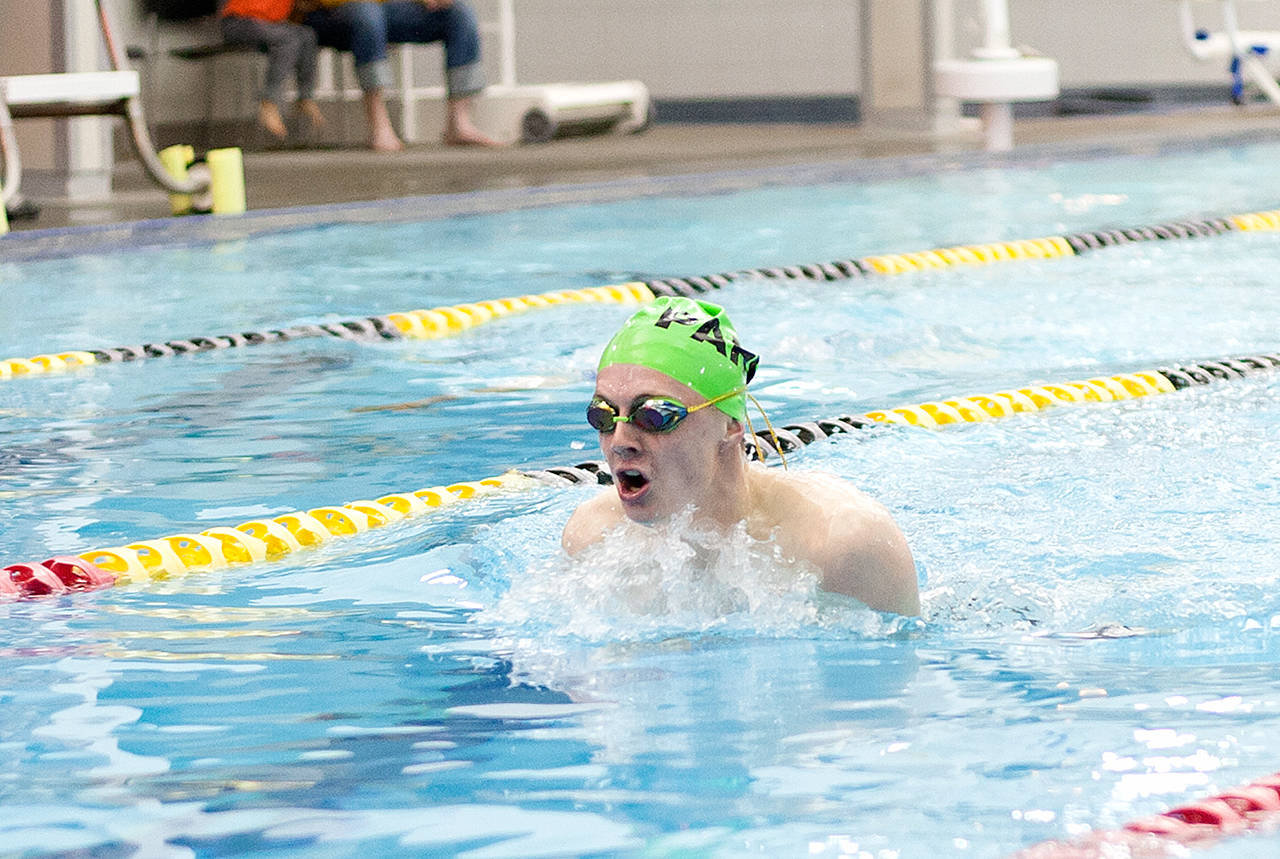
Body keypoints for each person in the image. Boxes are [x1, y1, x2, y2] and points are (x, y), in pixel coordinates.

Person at [562, 297, 921, 617]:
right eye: (604, 415)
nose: (621, 440)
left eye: (654, 415)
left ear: (731, 426)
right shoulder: (593, 537)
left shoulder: (842, 544)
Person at [301, 0, 500, 150]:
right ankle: (379, 126)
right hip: (327, 13)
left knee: (458, 12)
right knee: (368, 15)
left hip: (382, 10)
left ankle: (458, 123)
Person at [220, 0, 326, 140]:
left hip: (268, 24)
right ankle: (268, 102)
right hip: (239, 21)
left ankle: (305, 97)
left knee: (307, 36)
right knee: (288, 39)